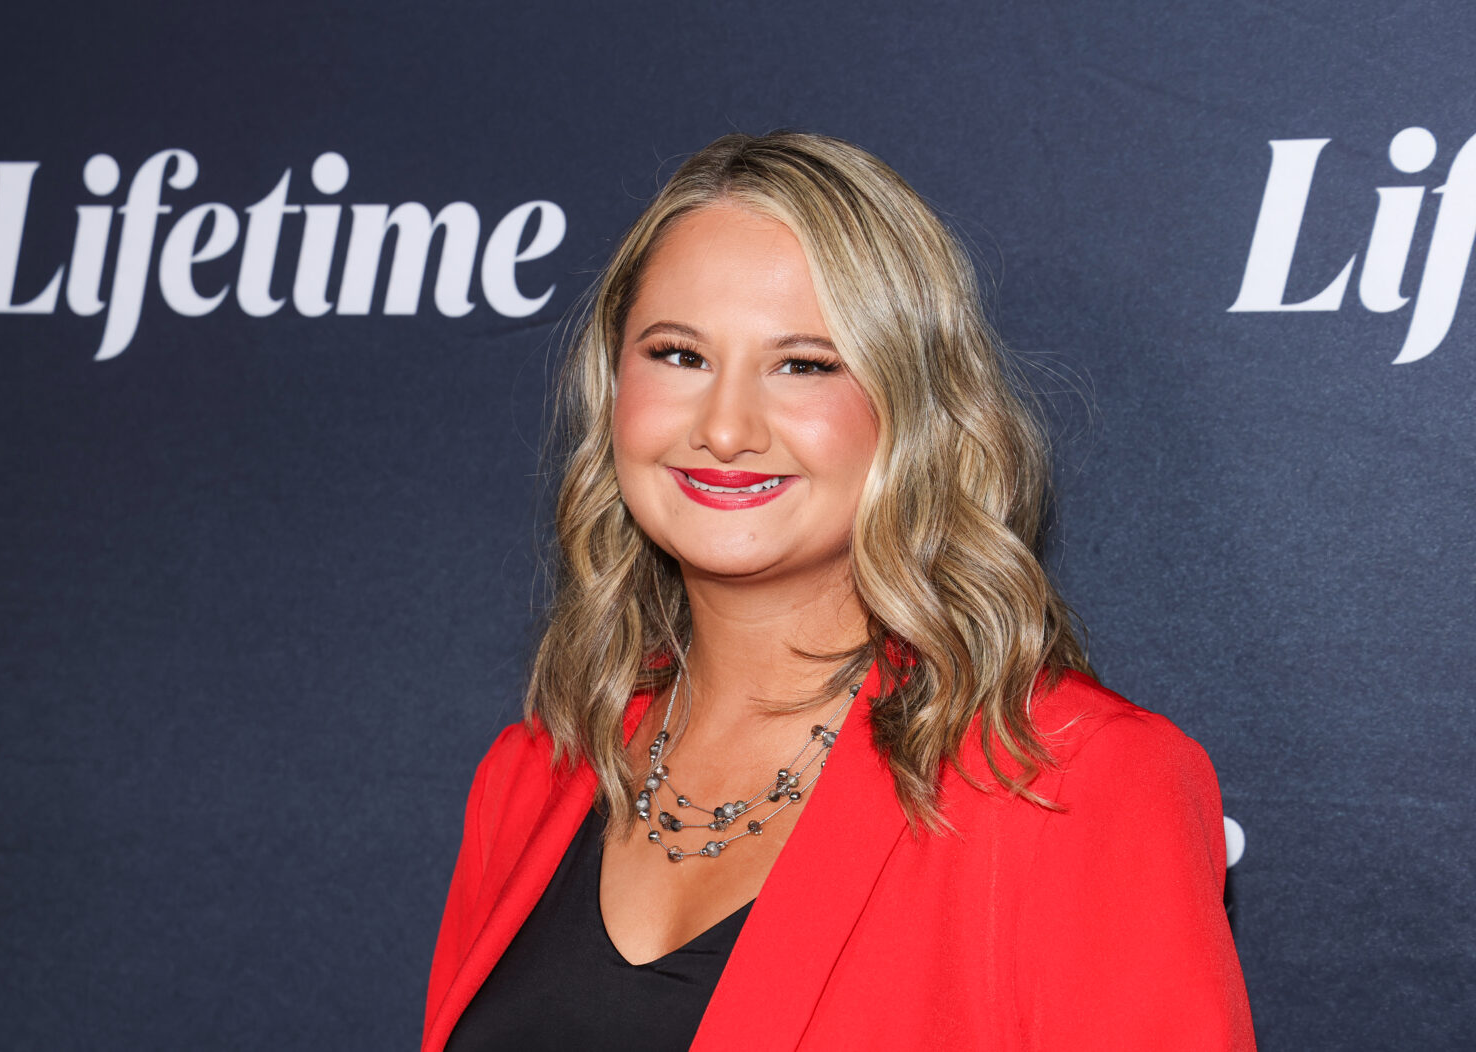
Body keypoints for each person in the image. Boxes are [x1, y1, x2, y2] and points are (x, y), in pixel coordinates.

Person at [423, 131, 1255, 1051]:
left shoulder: (1073, 779)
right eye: (679, 355)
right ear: (613, 385)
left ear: (917, 409)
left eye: (804, 365)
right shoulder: (534, 772)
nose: (726, 427)